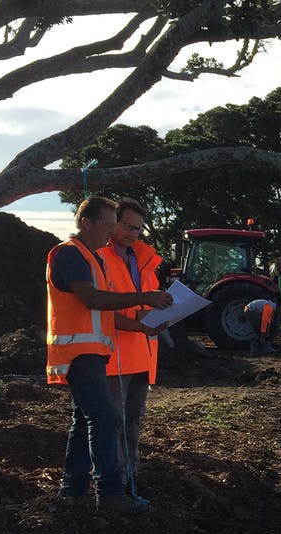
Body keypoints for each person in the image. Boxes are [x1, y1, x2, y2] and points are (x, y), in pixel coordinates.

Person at [47, 196, 172, 515]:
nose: (113, 231)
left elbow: (99, 304)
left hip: (92, 352)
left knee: (84, 420)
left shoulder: (89, 258)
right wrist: (144, 298)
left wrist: (141, 319)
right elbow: (91, 299)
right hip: (81, 352)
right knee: (105, 417)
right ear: (86, 223)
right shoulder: (71, 255)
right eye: (110, 224)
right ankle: (110, 493)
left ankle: (73, 489)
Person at [97, 198, 166, 501]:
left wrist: (162, 317)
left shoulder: (144, 260)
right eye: (126, 226)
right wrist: (142, 321)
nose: (132, 232)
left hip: (142, 352)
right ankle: (114, 482)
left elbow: (146, 305)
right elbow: (103, 310)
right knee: (112, 421)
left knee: (133, 419)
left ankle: (130, 478)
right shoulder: (99, 257)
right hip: (113, 356)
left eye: (137, 228)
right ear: (113, 223)